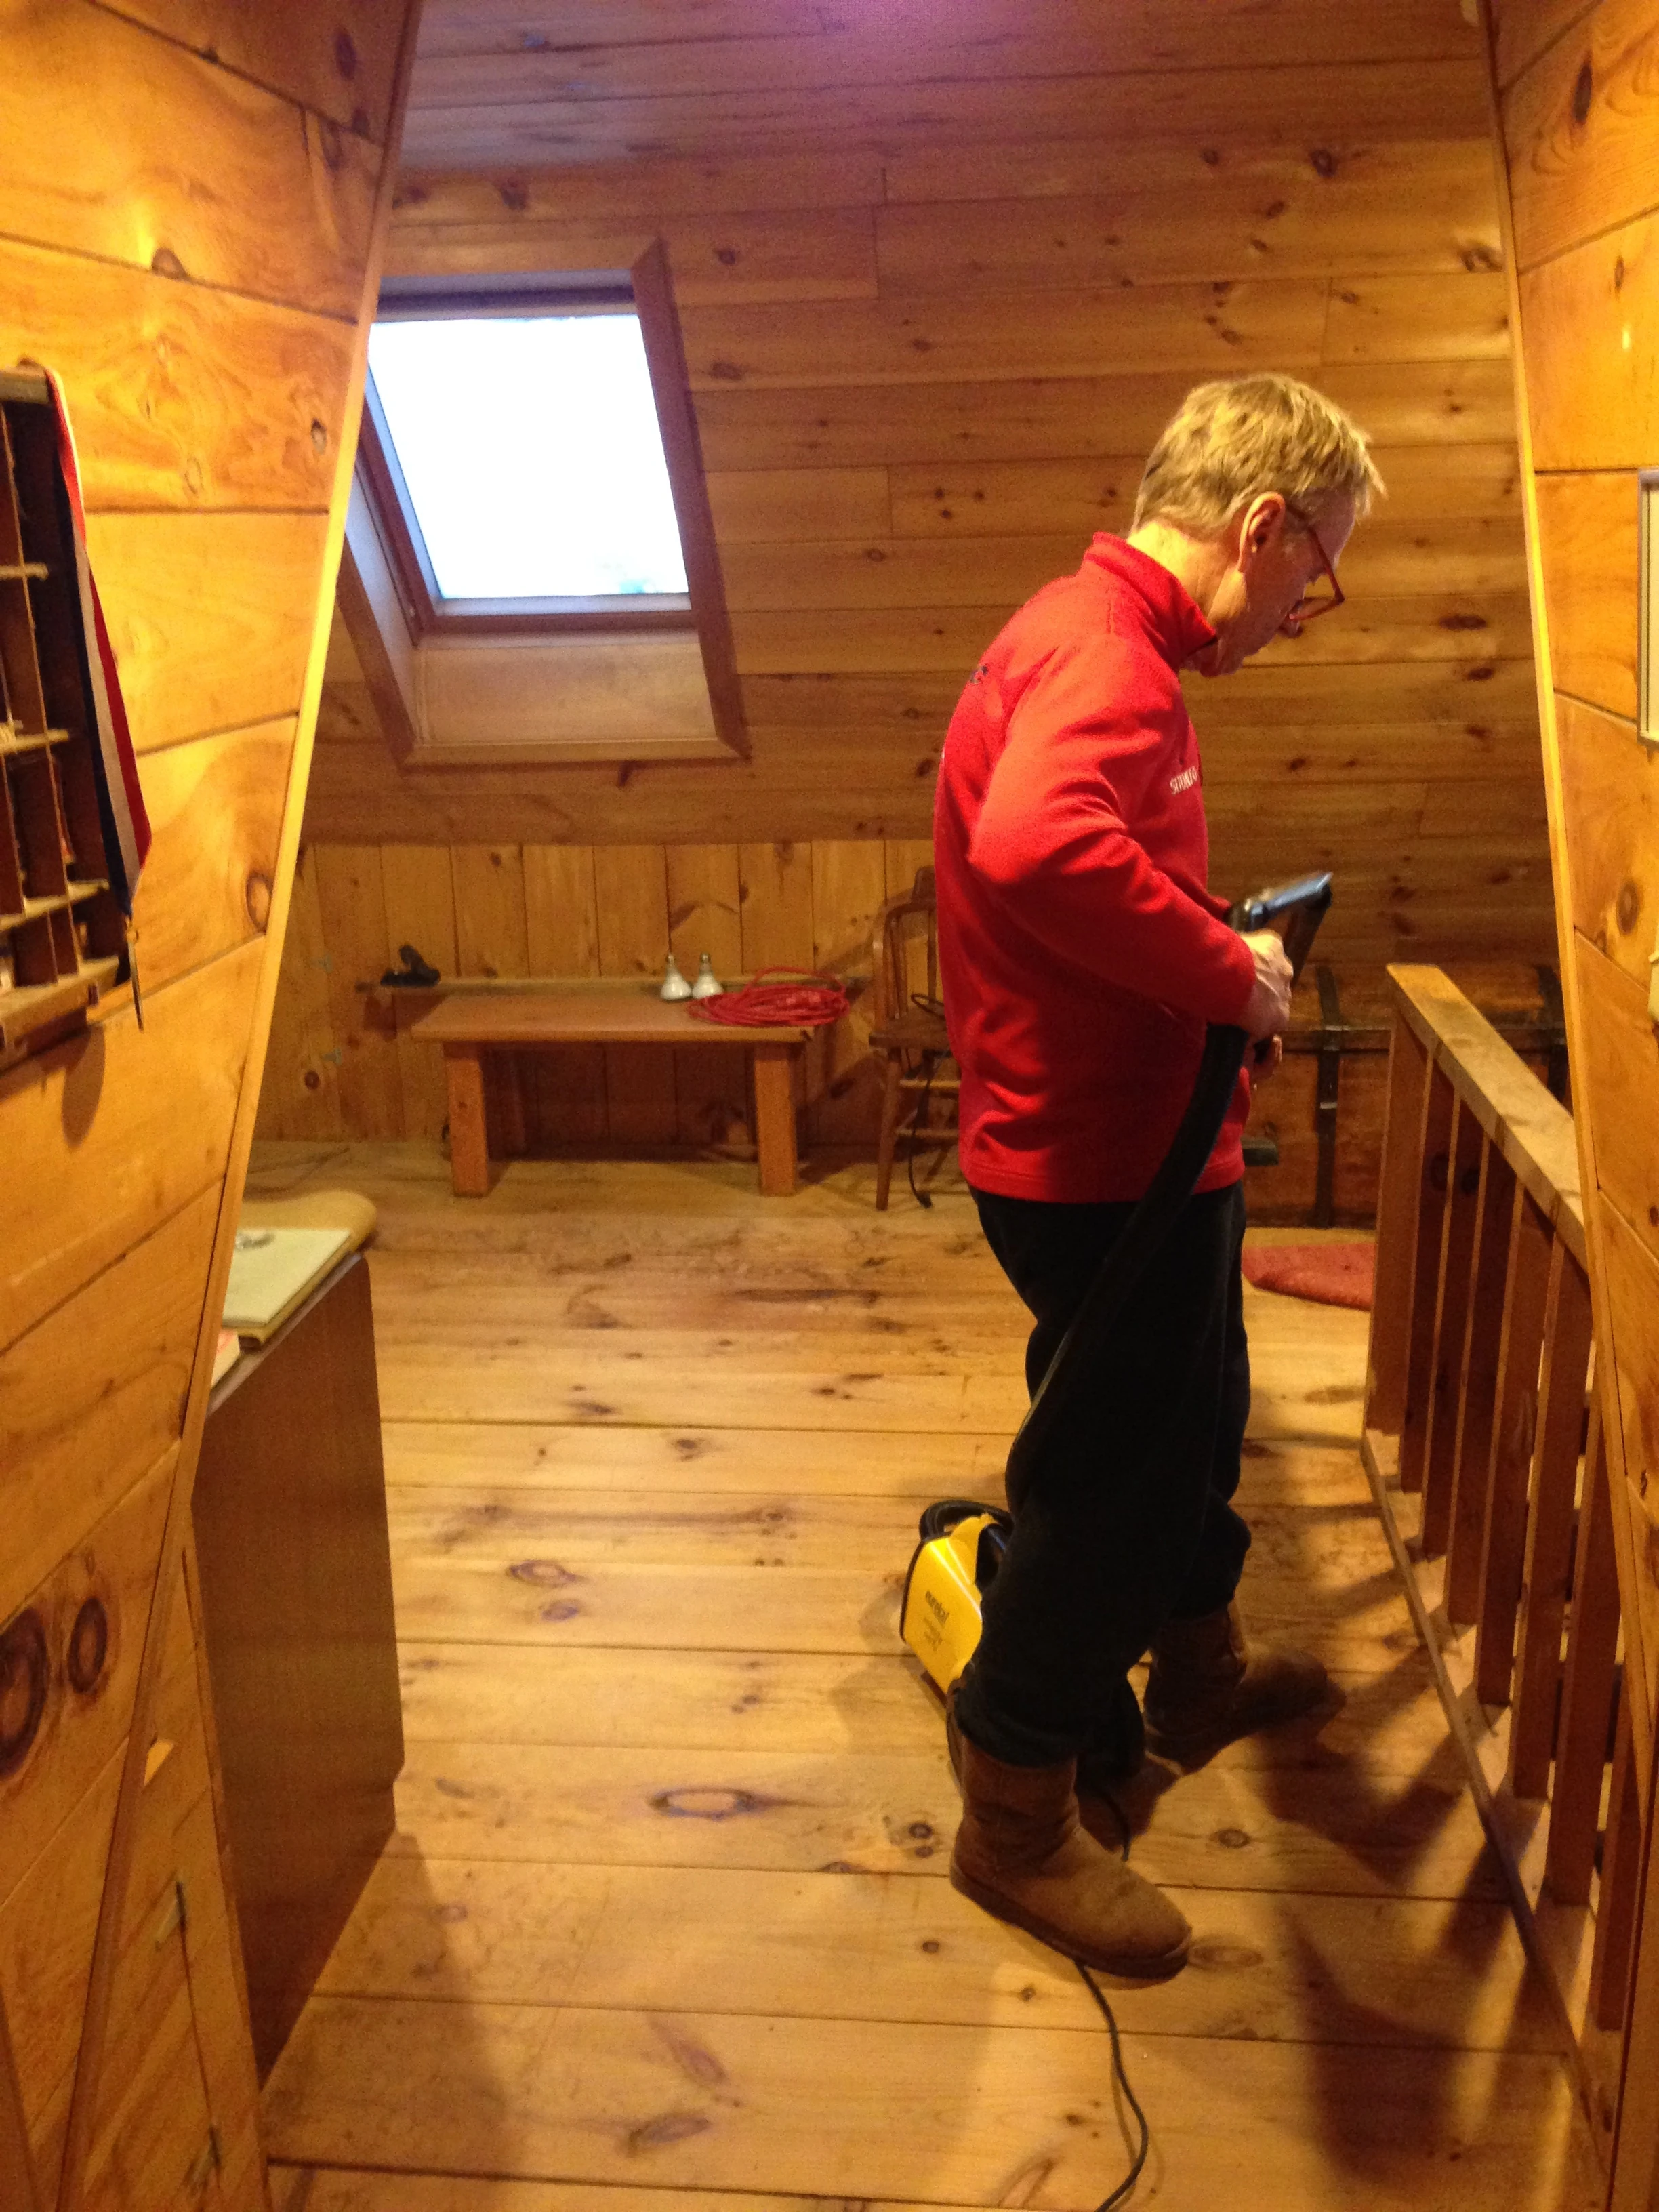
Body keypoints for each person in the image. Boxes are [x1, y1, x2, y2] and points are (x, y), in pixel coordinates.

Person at [932, 373, 1383, 1979]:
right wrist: (1228, 968)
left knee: (1189, 1422)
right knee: (1111, 1498)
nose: (1300, 611)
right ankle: (1015, 1816)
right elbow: (1041, 848)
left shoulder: (1079, 632)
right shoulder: (1108, 663)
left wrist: (1208, 959)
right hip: (1098, 1164)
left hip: (1130, 1149)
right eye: (1312, 570)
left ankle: (1196, 1675)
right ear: (1261, 528)